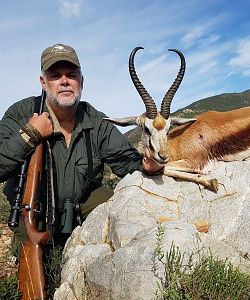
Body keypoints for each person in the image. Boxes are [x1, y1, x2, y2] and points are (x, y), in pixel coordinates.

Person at [0, 43, 163, 247]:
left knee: (114, 202)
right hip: (33, 213)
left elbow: (127, 163)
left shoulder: (96, 121)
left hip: (80, 207)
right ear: (43, 82)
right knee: (34, 275)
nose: (65, 81)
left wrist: (147, 165)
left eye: (71, 74)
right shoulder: (19, 114)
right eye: (55, 75)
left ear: (81, 81)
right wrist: (30, 135)